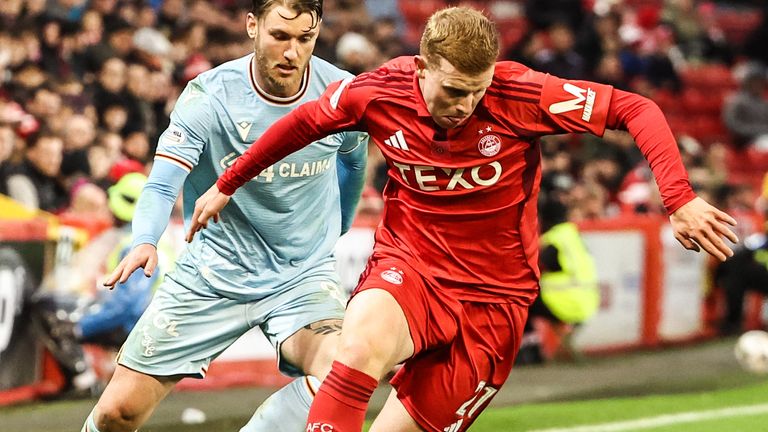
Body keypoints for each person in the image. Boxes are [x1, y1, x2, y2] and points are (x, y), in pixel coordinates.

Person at [190, 7, 739, 431]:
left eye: (476, 91)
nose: (466, 105)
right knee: (357, 350)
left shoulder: (521, 93)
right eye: (454, 90)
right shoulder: (377, 91)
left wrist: (678, 196)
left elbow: (634, 108)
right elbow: (303, 123)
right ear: (422, 68)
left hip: (495, 302)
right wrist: (226, 182)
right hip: (413, 268)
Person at [81, 1, 368, 431]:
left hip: (301, 277)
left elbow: (353, 163)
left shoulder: (340, 93)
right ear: (252, 26)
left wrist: (340, 225)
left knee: (344, 372)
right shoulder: (210, 96)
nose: (292, 52)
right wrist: (145, 239)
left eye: (305, 39)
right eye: (280, 36)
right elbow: (161, 184)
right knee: (115, 414)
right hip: (211, 274)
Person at [32, 173, 172, 396]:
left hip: (138, 327)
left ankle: (84, 381)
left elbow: (127, 306)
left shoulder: (136, 244)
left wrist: (82, 326)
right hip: (154, 327)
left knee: (51, 310)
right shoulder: (151, 238)